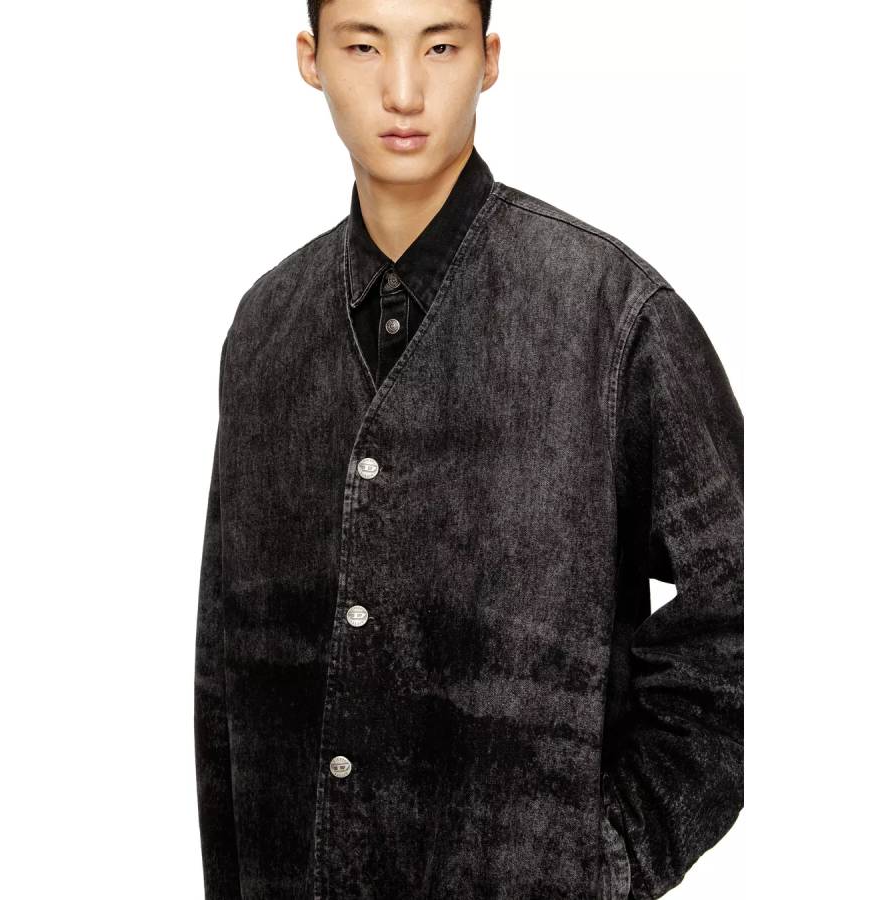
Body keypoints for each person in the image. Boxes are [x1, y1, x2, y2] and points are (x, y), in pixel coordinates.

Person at [193, 2, 744, 898]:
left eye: (440, 46)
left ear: (488, 60)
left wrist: (604, 859)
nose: (403, 90)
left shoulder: (613, 316)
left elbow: (746, 615)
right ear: (310, 59)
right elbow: (225, 666)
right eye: (363, 46)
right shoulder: (265, 328)